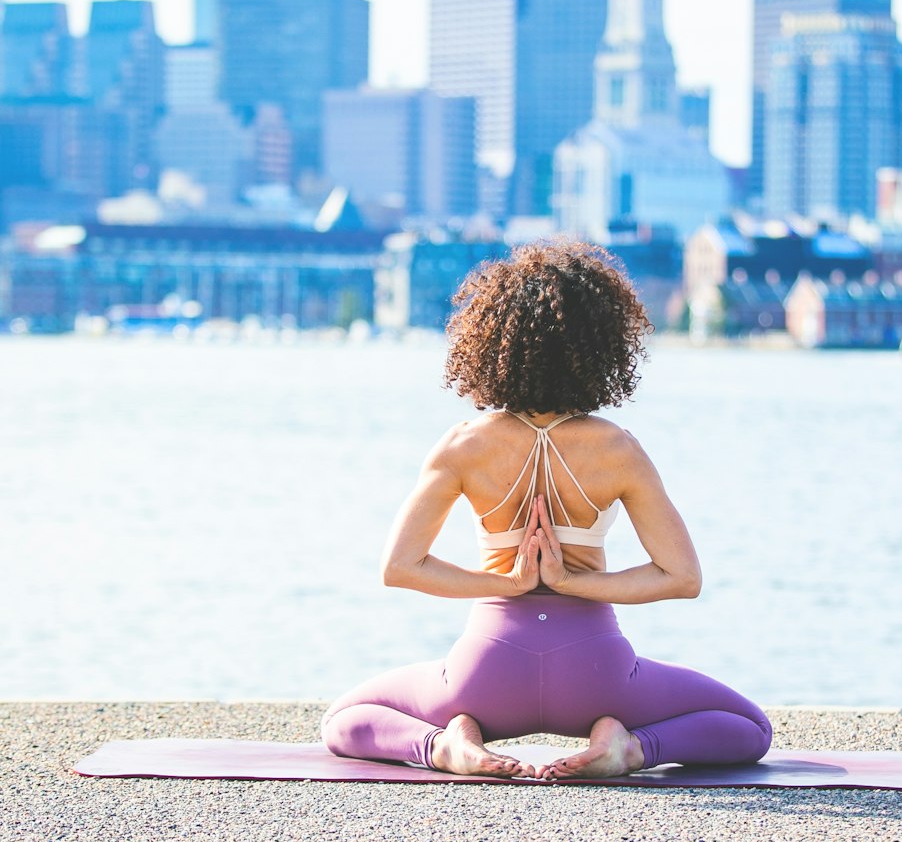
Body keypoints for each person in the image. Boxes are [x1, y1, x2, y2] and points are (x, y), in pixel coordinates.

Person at [321, 241, 772, 780]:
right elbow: (681, 576)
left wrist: (510, 585)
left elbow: (400, 567)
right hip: (598, 672)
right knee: (749, 726)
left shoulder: (463, 445)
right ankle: (628, 749)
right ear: (601, 347)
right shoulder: (616, 449)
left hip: (486, 670)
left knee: (343, 719)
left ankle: (446, 746)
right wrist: (571, 583)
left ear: (489, 343)